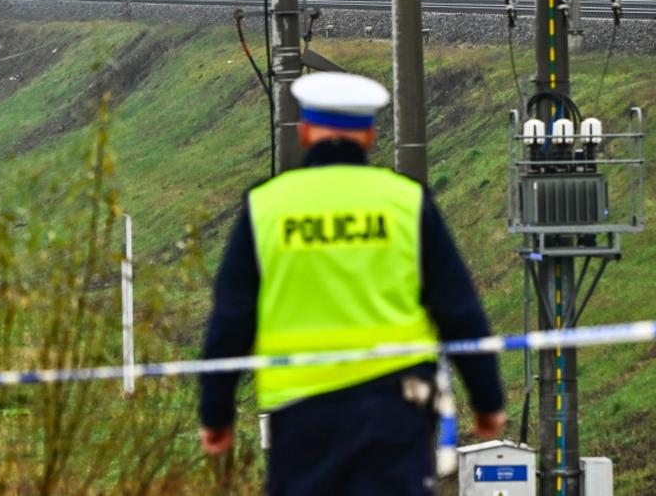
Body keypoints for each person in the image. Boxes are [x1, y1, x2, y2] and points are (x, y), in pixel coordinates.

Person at [198, 72, 505, 496]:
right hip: (395, 411)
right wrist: (487, 402)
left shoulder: (267, 206)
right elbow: (457, 308)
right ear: (370, 135)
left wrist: (216, 414)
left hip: (301, 413)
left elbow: (232, 318)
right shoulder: (406, 202)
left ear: (305, 132)